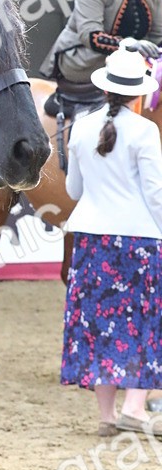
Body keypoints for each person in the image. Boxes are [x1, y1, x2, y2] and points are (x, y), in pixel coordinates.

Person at [60, 46, 162, 437]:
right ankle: (135, 407)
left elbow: (73, 189)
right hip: (138, 241)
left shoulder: (81, 126)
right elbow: (155, 194)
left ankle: (107, 417)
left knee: (98, 325)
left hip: (91, 239)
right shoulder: (146, 131)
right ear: (138, 91)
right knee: (143, 322)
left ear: (104, 89)